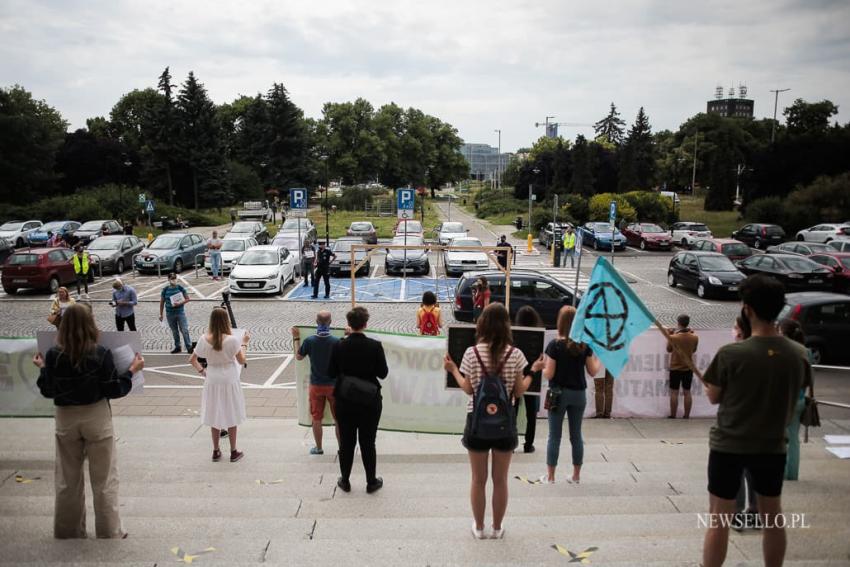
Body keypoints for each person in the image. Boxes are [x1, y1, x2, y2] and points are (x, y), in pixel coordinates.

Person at [701, 275, 811, 567]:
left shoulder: (731, 354)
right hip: (772, 445)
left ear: (747, 309)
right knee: (772, 516)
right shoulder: (799, 354)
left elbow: (713, 396)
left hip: (729, 444)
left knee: (719, 518)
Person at [34, 303, 144, 539]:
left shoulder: (54, 354)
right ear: (90, 324)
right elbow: (114, 389)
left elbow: (47, 390)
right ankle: (109, 529)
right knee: (104, 478)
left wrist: (43, 369)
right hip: (96, 414)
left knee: (67, 478)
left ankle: (68, 529)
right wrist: (132, 371)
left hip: (66, 416)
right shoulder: (100, 352)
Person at [444, 303, 543, 539]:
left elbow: (468, 389)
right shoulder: (515, 355)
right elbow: (519, 392)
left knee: (478, 480)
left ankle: (479, 528)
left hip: (477, 422)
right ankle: (497, 528)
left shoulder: (472, 353)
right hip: (504, 423)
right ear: (506, 325)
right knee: (500, 480)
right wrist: (533, 371)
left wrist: (453, 369)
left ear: (482, 325)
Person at [328, 307, 388, 494]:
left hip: (345, 400)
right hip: (370, 400)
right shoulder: (375, 346)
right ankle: (371, 481)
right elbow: (383, 374)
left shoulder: (339, 345)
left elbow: (331, 372)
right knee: (368, 441)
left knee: (346, 441)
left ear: (349, 324)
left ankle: (345, 480)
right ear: (365, 324)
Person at [543, 305, 602, 484]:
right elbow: (593, 371)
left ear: (560, 323)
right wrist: (599, 360)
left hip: (558, 394)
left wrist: (541, 367)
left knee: (554, 436)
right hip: (578, 395)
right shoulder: (584, 345)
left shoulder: (554, 345)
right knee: (576, 435)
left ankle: (551, 476)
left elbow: (549, 374)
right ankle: (576, 476)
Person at [190, 307, 249, 463]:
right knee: (232, 414)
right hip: (229, 378)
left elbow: (192, 359)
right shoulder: (232, 340)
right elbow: (242, 361)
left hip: (212, 378)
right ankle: (233, 451)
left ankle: (216, 450)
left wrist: (203, 372)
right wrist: (244, 344)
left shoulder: (204, 338)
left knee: (214, 413)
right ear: (226, 321)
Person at [292, 311, 340, 455]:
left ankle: (318, 447)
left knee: (316, 418)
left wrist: (296, 338)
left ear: (316, 322)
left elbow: (298, 357)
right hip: (334, 385)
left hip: (316, 385)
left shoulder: (310, 341)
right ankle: (342, 448)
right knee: (339, 419)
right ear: (330, 322)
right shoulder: (337, 342)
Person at [731, 314, 757, 532]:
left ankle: (738, 513)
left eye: (734, 326)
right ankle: (756, 512)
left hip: (738, 427)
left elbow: (715, 395)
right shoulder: (783, 353)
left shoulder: (732, 355)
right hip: (766, 428)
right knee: (754, 472)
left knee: (738, 472)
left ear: (740, 330)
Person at [778, 319, 809, 482]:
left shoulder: (784, 352)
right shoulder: (806, 352)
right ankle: (792, 473)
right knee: (794, 438)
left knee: (782, 439)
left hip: (784, 400)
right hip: (801, 398)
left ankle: (782, 472)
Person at [514, 306, 544, 453]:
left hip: (516, 377)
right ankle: (528, 444)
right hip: (532, 379)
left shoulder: (515, 335)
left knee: (512, 410)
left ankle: (511, 442)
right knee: (531, 413)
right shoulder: (537, 337)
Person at [667, 314, 699, 419]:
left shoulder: (673, 337)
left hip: (675, 367)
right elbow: (694, 350)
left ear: (678, 322)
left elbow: (669, 349)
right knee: (687, 392)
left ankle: (673, 414)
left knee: (674, 392)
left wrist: (669, 335)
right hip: (688, 367)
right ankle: (686, 415)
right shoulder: (694, 337)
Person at [159, 272, 192, 354]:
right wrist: (161, 314)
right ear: (169, 279)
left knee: (184, 329)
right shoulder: (165, 289)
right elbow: (162, 302)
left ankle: (189, 347)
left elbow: (187, 299)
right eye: (172, 278)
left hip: (180, 313)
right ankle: (178, 347)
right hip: (170, 314)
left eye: (175, 278)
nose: (174, 280)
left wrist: (180, 303)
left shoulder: (180, 288)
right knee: (174, 331)